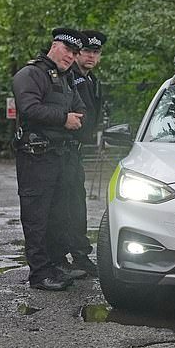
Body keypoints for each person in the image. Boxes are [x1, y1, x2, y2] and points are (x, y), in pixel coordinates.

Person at [12, 28, 89, 291]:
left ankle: (55, 265)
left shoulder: (66, 78)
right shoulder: (30, 74)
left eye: (75, 53)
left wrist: (71, 118)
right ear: (54, 46)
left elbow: (80, 109)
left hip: (60, 156)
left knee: (58, 215)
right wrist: (63, 119)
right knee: (37, 217)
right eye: (67, 50)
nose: (71, 57)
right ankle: (39, 274)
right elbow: (29, 109)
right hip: (36, 156)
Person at [63, 30, 108, 276]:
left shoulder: (90, 80)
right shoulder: (69, 78)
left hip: (76, 150)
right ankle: (70, 256)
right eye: (86, 51)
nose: (91, 56)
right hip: (65, 148)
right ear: (77, 53)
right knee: (68, 205)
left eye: (95, 52)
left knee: (76, 204)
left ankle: (79, 254)